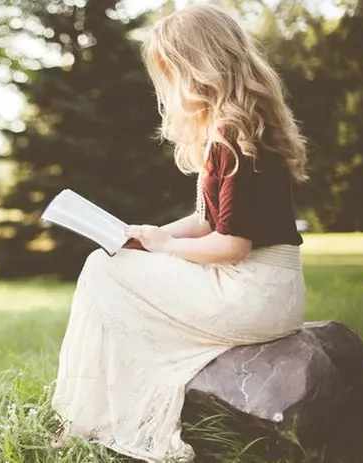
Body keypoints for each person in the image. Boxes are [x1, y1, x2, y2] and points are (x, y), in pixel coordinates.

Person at [50, 4, 309, 462]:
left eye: (169, 73)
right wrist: (150, 234)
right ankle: (98, 413)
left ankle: (93, 417)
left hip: (252, 290)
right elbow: (206, 222)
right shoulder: (237, 126)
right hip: (270, 289)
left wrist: (165, 248)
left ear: (196, 69)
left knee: (100, 270)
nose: (166, 87)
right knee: (114, 263)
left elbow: (231, 245)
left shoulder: (232, 133)